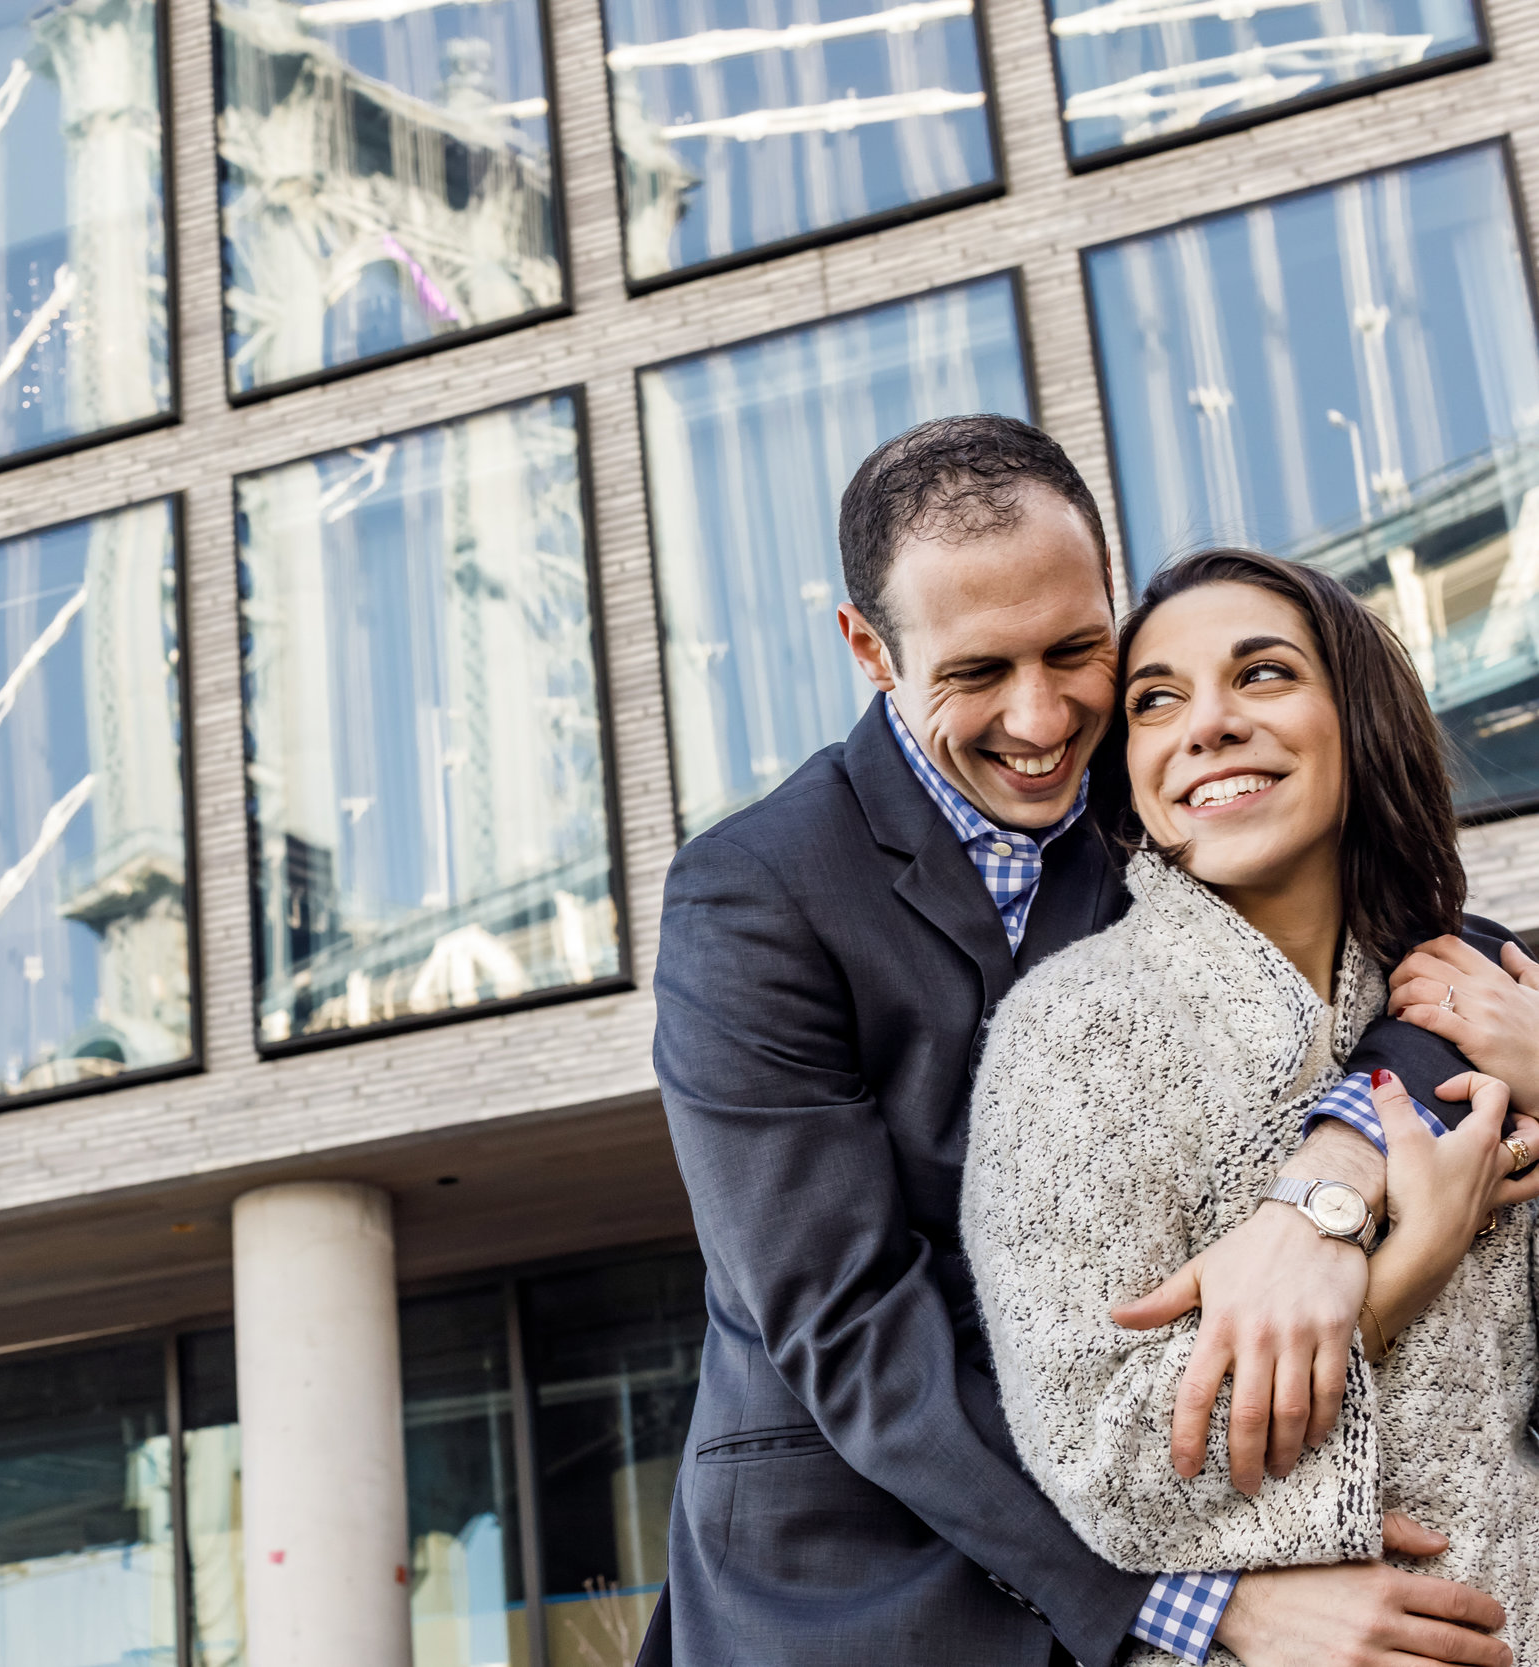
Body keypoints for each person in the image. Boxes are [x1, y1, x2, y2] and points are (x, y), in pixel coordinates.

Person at [648, 416, 1538, 1667]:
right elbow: (848, 1321)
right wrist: (1200, 1599)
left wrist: (1325, 1183)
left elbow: (1423, 962)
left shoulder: (1165, 786)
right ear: (867, 648)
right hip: (868, 1581)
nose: (1040, 714)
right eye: (975, 671)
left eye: (1077, 649)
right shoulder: (753, 894)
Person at [963, 548, 1539, 1667]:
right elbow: (1107, 1461)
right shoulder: (1072, 1033)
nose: (1207, 723)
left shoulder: (1490, 994)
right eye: (1156, 698)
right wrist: (1399, 1267)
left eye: (1263, 673)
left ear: (1355, 714)